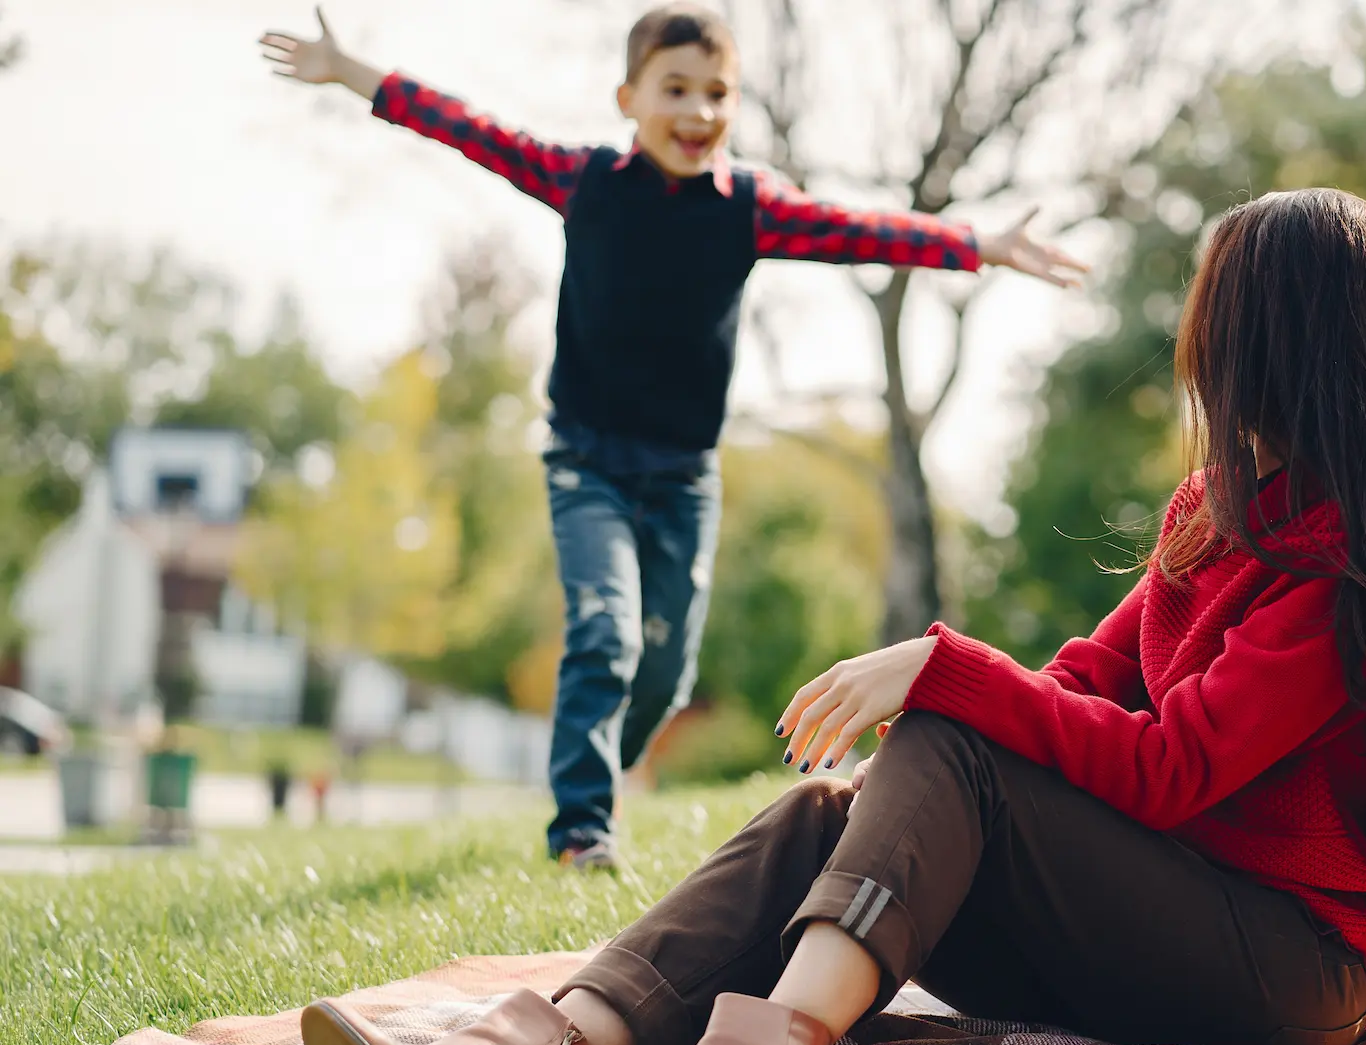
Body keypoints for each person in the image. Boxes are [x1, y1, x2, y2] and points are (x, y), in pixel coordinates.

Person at [298, 188, 1366, 1045]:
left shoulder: (1353, 574)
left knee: (956, 735)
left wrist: (941, 675)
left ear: (1273, 350)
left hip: (1290, 963)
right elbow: (1086, 682)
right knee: (822, 814)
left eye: (1212, 325)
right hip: (1158, 922)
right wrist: (951, 726)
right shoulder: (1214, 515)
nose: (1195, 353)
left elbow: (1172, 769)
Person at [260, 5, 1086, 872]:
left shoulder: (748, 209)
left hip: (684, 476)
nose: (698, 111)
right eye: (676, 90)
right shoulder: (585, 181)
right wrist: (352, 73)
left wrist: (981, 245)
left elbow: (864, 230)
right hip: (587, 463)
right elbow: (471, 130)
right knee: (605, 632)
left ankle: (600, 768)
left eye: (718, 92)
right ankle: (582, 830)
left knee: (663, 673)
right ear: (629, 96)